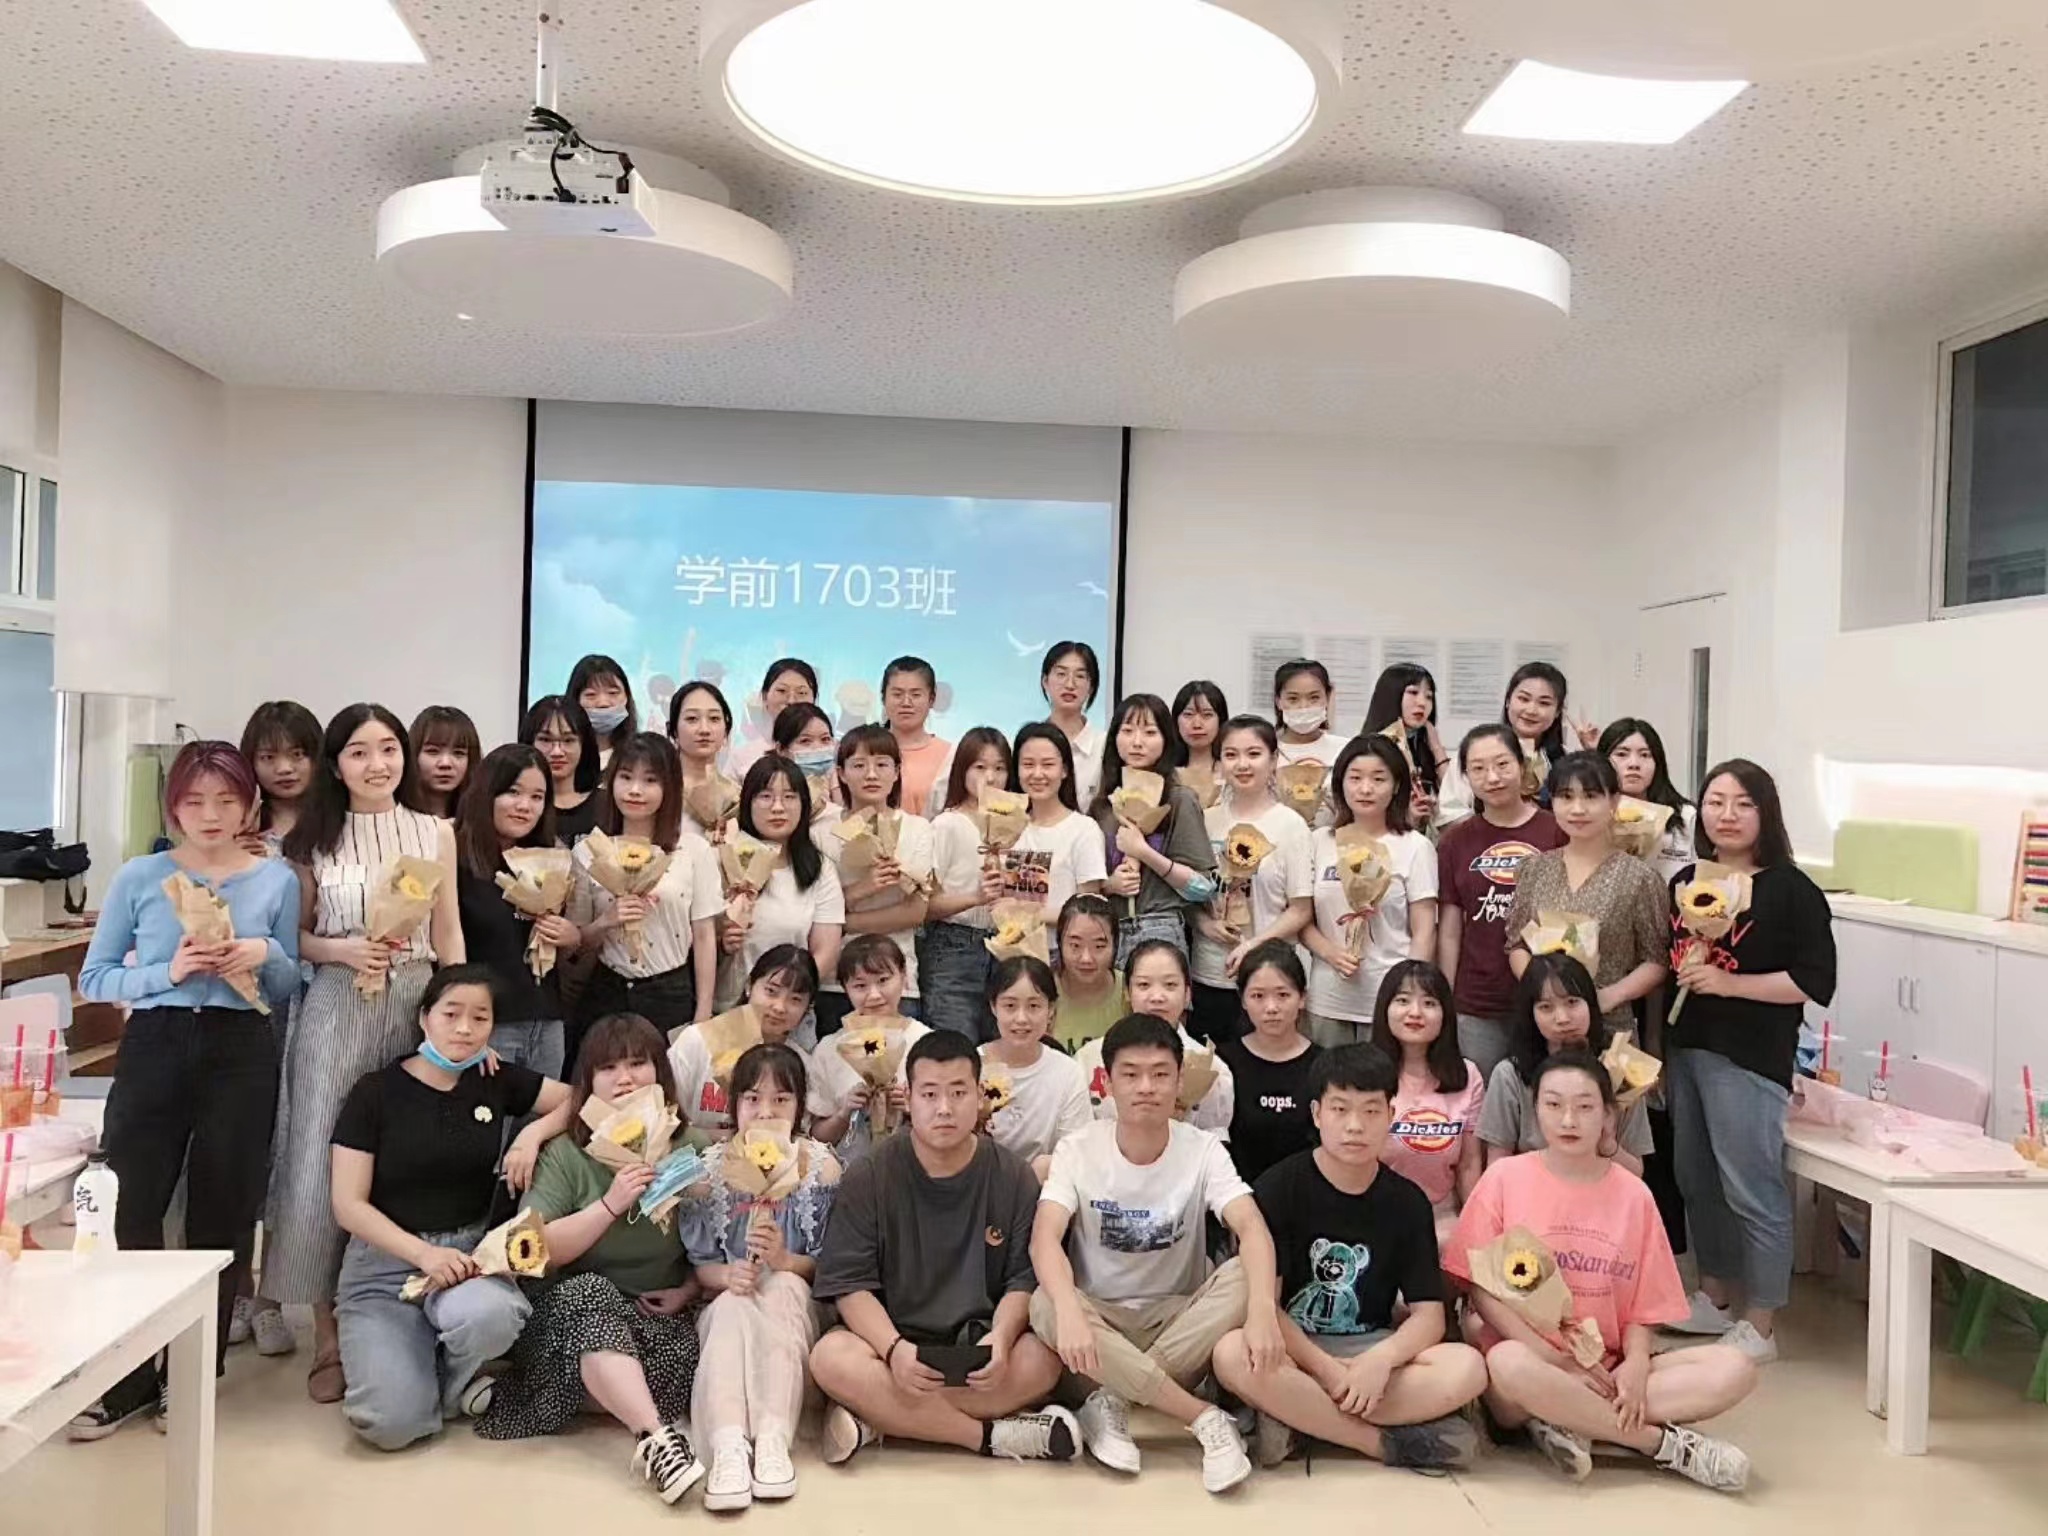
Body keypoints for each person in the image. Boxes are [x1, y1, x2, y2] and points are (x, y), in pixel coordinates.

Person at [68, 741, 303, 1439]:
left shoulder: (275, 880)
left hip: (242, 1048)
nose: (211, 814)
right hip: (157, 1042)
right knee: (131, 1206)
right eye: (195, 800)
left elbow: (289, 982)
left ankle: (193, 1373)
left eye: (227, 799)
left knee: (222, 1215)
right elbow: (96, 978)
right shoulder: (141, 876)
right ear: (173, 807)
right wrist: (167, 973)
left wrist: (265, 953)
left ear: (250, 805)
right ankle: (128, 1376)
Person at [264, 702, 465, 1404]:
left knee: (404, 1158)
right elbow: (293, 939)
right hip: (336, 1003)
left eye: (388, 749)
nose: (377, 764)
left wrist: (459, 1018)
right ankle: (327, 1333)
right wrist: (341, 950)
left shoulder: (434, 831)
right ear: (336, 763)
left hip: (416, 1002)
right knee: (322, 1158)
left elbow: (448, 934)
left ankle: (398, 1314)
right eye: (359, 751)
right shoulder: (309, 837)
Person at [1449, 1051, 1757, 1492]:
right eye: (1553, 1105)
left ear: (1608, 1117)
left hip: (1606, 1368)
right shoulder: (1504, 1179)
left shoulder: (1634, 1195)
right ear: (1535, 1111)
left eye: (1584, 1106)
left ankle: (1570, 1420)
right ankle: (1663, 1446)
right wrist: (1553, 1360)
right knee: (1506, 1362)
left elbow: (1646, 1305)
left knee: (1736, 1367)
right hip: (1528, 1364)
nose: (1568, 1120)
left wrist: (1635, 1365)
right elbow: (1481, 1291)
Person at [1029, 1013, 1280, 1493]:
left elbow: (1251, 1227)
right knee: (1045, 1301)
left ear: (1179, 1081)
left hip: (1177, 1323)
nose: (1146, 1087)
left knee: (1246, 1276)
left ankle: (1114, 1400)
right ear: (1107, 1083)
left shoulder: (1203, 1149)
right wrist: (1069, 1311)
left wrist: (1264, 1312)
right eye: (1131, 1074)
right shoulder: (1077, 1149)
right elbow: (1044, 1237)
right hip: (1098, 1327)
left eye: (1160, 1074)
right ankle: (1203, 1416)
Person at [328, 964, 571, 1450]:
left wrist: (531, 1134)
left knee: (492, 1316)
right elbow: (348, 1205)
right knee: (390, 1425)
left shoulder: (494, 1079)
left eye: (480, 1018)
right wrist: (423, 1255)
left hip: (467, 1261)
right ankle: (419, 1376)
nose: (465, 1029)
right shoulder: (375, 1091)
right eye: (451, 1014)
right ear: (424, 1018)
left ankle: (450, 1381)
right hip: (384, 1271)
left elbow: (578, 1101)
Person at [1214, 1043, 1487, 1472]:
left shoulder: (1407, 1202)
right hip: (1296, 1348)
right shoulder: (1278, 1188)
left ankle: (1302, 1420)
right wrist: (1326, 1370)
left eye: (1371, 1111)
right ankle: (1379, 1443)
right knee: (1231, 1354)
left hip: (1370, 1346)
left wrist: (1381, 1360)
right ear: (1317, 1114)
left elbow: (1429, 1317)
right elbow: (1269, 1307)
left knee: (1468, 1368)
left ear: (1391, 1114)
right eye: (1340, 1110)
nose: (1355, 1126)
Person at [809, 1032, 1078, 1466]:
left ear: (980, 1095)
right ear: (909, 1097)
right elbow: (850, 1286)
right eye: (930, 1094)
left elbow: (1022, 1280)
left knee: (1043, 1359)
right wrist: (894, 1349)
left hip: (979, 1346)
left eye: (958, 1092)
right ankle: (986, 1437)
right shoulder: (869, 1174)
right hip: (892, 1346)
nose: (944, 1108)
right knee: (831, 1358)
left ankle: (880, 1417)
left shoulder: (1012, 1176)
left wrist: (1001, 1338)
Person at [475, 1013, 704, 1503]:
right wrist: (608, 1206)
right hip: (566, 1316)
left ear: (661, 1073)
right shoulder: (566, 1152)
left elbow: (713, 1240)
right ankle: (657, 1441)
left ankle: (603, 1392)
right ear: (588, 1081)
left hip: (651, 1320)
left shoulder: (687, 1145)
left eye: (638, 1064)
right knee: (589, 1295)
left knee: (684, 1353)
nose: (625, 1079)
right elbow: (528, 1252)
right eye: (609, 1068)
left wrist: (688, 1289)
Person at [1664, 760, 1837, 1364]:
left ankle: (1761, 1323)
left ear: (1767, 813)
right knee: (1697, 1180)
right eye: (1715, 802)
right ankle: (1713, 1297)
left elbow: (1813, 982)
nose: (1727, 815)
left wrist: (1730, 984)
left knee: (1751, 1188)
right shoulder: (1687, 880)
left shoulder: (1791, 890)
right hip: (1686, 1047)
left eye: (1743, 803)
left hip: (1748, 1057)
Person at [680, 1042, 843, 1510]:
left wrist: (786, 1260)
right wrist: (727, 1275)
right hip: (730, 1301)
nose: (766, 1111)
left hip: (797, 1305)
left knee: (785, 1287)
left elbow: (830, 1264)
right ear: (734, 1105)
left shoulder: (821, 1168)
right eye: (753, 1098)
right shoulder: (709, 1172)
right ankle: (729, 1444)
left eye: (781, 1099)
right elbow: (701, 1265)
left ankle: (773, 1439)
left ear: (800, 1106)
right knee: (733, 1303)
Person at [570, 733, 723, 1056]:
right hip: (607, 990)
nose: (635, 790)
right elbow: (577, 942)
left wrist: (703, 1013)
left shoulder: (692, 850)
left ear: (670, 787)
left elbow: (704, 936)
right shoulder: (588, 851)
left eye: (650, 780)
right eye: (626, 777)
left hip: (671, 992)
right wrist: (606, 921)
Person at [1434, 724, 1566, 1079]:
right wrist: (1446, 996)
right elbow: (1450, 930)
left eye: (1502, 764)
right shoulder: (1454, 842)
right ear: (1465, 777)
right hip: (1478, 1001)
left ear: (1522, 765)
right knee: (1480, 1097)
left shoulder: (1557, 831)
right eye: (1477, 769)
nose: (1492, 777)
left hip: (1549, 996)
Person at [1506, 753, 1670, 1032]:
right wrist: (1546, 993)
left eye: (1591, 796)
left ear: (1614, 801)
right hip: (1545, 1026)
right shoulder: (1534, 869)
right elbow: (1516, 945)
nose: (1578, 809)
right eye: (1566, 796)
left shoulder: (1639, 877)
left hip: (1610, 1023)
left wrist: (1609, 997)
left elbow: (1656, 960)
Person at [1303, 736, 1439, 1048]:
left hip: (1388, 998)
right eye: (1355, 778)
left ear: (1396, 786)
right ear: (1340, 784)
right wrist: (1330, 953)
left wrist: (1408, 993)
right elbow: (1302, 918)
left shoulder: (1415, 847)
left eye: (1378, 779)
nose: (1366, 789)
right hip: (1328, 997)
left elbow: (1424, 931)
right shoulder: (1320, 841)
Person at [454, 743, 577, 1077]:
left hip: (546, 1020)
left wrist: (571, 937)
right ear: (487, 792)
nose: (525, 806)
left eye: (537, 797)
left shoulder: (550, 859)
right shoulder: (455, 856)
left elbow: (558, 951)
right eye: (513, 792)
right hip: (488, 1024)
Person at [1190, 715, 1312, 1044]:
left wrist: (1253, 946)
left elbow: (1300, 909)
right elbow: (1188, 893)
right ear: (1218, 763)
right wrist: (1205, 924)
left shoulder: (1291, 826)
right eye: (1231, 755)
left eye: (1254, 754)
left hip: (1267, 979)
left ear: (1273, 760)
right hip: (1209, 972)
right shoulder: (1205, 820)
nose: (1242, 764)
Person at [1481, 953, 1652, 1174]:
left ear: (1591, 1004)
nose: (1562, 1018)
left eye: (1572, 1002)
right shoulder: (1509, 1075)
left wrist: (1608, 1145)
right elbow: (1496, 1165)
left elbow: (1636, 1173)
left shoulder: (1622, 1071)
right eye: (1546, 1007)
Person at [812, 725, 934, 1036]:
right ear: (841, 773)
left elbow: (915, 911)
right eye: (858, 765)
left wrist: (843, 924)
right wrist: (863, 888)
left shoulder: (917, 829)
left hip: (897, 981)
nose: (871, 774)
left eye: (882, 764)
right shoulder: (820, 832)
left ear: (896, 772)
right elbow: (813, 908)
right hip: (836, 980)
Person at [1090, 693, 1217, 966]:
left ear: (1166, 740)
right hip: (1108, 931)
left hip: (1160, 928)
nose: (1137, 742)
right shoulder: (1103, 806)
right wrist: (1110, 885)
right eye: (1127, 731)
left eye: (1149, 732)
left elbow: (1202, 887)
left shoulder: (1179, 800)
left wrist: (1144, 853)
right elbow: (1087, 881)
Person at [669, 946, 841, 1141]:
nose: (779, 1007)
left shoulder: (803, 1065)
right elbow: (667, 1113)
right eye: (771, 991)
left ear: (808, 1007)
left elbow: (800, 1135)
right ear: (749, 985)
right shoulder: (698, 1040)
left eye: (795, 999)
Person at [718, 754, 844, 1011]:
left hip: (787, 1012)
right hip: (725, 1009)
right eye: (765, 796)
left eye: (789, 797)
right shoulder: (720, 860)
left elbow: (826, 951)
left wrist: (786, 997)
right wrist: (722, 944)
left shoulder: (818, 870)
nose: (778, 807)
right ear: (747, 803)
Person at [1369, 961, 1483, 1245]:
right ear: (1384, 1008)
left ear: (1446, 1014)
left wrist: (1476, 1227)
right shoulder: (1365, 1072)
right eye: (1403, 1000)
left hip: (1442, 1216)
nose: (1415, 1012)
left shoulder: (1467, 1076)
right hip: (1376, 1213)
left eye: (1429, 1003)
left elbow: (1469, 1164)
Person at [1075, 941, 1233, 1134]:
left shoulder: (1213, 1070)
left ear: (1187, 994)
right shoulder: (1088, 1059)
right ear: (1127, 992)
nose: (1157, 997)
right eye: (1144, 985)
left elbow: (1215, 1138)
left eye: (1170, 985)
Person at [922, 727, 1013, 1040]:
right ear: (962, 770)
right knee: (955, 1046)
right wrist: (975, 897)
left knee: (1000, 1051)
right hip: (953, 947)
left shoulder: (1017, 826)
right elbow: (925, 906)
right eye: (980, 767)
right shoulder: (946, 825)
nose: (991, 777)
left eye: (1000, 768)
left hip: (1005, 947)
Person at [809, 935, 934, 1161]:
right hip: (848, 1171)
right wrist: (844, 1113)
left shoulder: (926, 1042)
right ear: (845, 988)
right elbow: (816, 1137)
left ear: (904, 976)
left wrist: (912, 1107)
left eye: (883, 980)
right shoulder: (829, 1049)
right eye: (860, 986)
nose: (874, 995)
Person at [1214, 940, 1321, 1183]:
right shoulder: (1221, 1062)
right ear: (1243, 1000)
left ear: (1302, 998)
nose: (1271, 1007)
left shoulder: (1323, 1065)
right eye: (1258, 996)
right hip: (1236, 1193)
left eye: (1283, 995)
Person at [980, 955, 1091, 1178]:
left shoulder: (1068, 1073)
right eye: (1010, 1006)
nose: (1021, 1018)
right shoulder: (971, 1066)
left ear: (1050, 1009)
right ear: (993, 1006)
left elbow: (1076, 1152)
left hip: (1046, 1186)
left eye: (1033, 1006)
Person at [1007, 722, 1108, 949]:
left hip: (1061, 954)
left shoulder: (1084, 830)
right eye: (1028, 764)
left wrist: (1031, 915)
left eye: (1048, 764)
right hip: (1010, 952)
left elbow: (1088, 909)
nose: (1037, 774)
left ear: (1064, 770)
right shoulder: (1008, 828)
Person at [1361, 664, 1466, 831]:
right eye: (1413, 693)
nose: (1422, 703)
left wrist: (1437, 748)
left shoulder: (1424, 746)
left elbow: (1458, 802)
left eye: (1429, 696)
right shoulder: (1369, 749)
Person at [1600, 718, 1697, 884]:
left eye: (1645, 755)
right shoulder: (1591, 815)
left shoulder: (1687, 817)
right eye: (1622, 754)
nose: (1634, 764)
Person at [1502, 662, 1598, 803]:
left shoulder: (1566, 761)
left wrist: (1593, 752)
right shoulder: (1482, 752)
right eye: (1524, 699)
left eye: (1544, 703)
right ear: (1508, 701)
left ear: (1558, 711)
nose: (1531, 710)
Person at [239, 699, 322, 856]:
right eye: (268, 757)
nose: (284, 769)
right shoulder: (237, 821)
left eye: (297, 754)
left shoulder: (339, 817)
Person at [521, 693, 602, 846]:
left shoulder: (607, 806)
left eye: (568, 740)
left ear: (584, 745)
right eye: (545, 740)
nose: (557, 751)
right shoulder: (519, 806)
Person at [1052, 893, 1127, 1050]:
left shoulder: (1130, 992)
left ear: (1115, 946)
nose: (1086, 958)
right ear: (1059, 943)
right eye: (1075, 945)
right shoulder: (1042, 992)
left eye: (1099, 947)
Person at [1041, 641, 1106, 812]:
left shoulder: (1104, 745)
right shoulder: (1030, 743)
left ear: (1091, 686)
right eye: (1061, 674)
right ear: (1045, 681)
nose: (1070, 684)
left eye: (1080, 676)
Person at [882, 655, 951, 817]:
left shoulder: (951, 756)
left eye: (916, 695)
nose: (906, 703)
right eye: (897, 694)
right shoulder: (862, 748)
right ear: (883, 697)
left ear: (931, 699)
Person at [730, 657, 820, 778]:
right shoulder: (741, 757)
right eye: (782, 691)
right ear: (765, 696)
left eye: (802, 693)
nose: (791, 701)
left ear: (814, 699)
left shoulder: (832, 753)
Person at [670, 679, 736, 839]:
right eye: (692, 719)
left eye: (714, 719)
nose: (704, 729)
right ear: (674, 730)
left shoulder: (736, 796)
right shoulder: (660, 790)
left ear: (726, 731)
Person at [402, 705, 481, 820]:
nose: (445, 763)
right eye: (433, 751)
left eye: (458, 753)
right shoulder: (396, 819)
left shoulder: (481, 820)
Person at [1272, 659, 1349, 776]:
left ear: (1327, 698)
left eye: (1314, 698)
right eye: (1293, 699)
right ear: (1278, 701)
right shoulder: (1264, 751)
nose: (1304, 706)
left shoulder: (1345, 749)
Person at [772, 701, 840, 828]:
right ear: (781, 749)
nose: (817, 748)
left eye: (825, 739)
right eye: (805, 741)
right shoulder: (768, 789)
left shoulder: (840, 781)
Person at [569, 652, 637, 765]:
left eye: (613, 693)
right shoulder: (564, 758)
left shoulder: (640, 755)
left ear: (627, 697)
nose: (603, 703)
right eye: (591, 694)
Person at [1171, 679, 1229, 809]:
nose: (1197, 724)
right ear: (1176, 720)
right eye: (1188, 714)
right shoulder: (1166, 774)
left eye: (1207, 715)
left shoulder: (1231, 771)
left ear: (1221, 720)